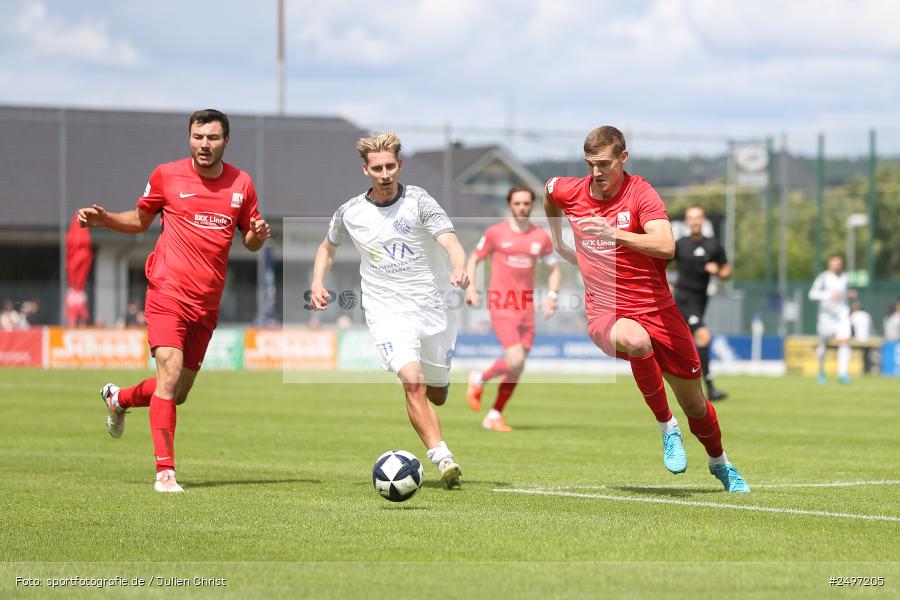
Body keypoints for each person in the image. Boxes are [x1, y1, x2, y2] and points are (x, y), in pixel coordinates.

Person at [543, 125, 750, 492]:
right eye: (590, 164)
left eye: (604, 163)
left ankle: (721, 463)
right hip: (606, 311)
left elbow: (666, 245)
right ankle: (666, 427)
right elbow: (549, 192)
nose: (596, 172)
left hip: (659, 309)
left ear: (623, 158)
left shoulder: (641, 192)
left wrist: (613, 233)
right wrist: (558, 240)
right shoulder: (570, 190)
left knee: (697, 406)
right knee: (636, 341)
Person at [77, 109, 271, 493]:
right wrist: (106, 221)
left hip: (206, 304)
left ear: (225, 142)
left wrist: (258, 236)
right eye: (198, 137)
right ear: (189, 138)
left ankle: (119, 399)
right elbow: (139, 219)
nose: (204, 144)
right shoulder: (166, 174)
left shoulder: (242, 184)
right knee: (169, 371)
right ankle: (165, 472)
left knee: (177, 392)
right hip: (166, 292)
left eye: (212, 138)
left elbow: (248, 240)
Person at [310, 131, 467, 489]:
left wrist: (459, 266)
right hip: (386, 312)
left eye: (390, 166)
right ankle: (443, 458)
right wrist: (319, 282)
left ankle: (437, 391)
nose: (385, 174)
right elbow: (326, 248)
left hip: (433, 309)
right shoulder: (350, 212)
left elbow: (451, 242)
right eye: (377, 167)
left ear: (400, 165)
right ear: (365, 169)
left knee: (436, 394)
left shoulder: (420, 202)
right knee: (412, 382)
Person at [465, 185, 561, 431]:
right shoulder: (495, 233)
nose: (522, 208)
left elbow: (554, 269)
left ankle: (494, 414)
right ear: (510, 204)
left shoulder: (540, 237)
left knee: (518, 366)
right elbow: (475, 258)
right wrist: (470, 288)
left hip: (526, 308)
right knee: (515, 359)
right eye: (517, 203)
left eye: (526, 204)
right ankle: (480, 378)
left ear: (532, 205)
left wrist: (551, 296)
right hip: (502, 304)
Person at [671, 206, 731, 401]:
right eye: (691, 218)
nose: (695, 221)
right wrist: (668, 286)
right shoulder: (679, 245)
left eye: (698, 218)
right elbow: (658, 266)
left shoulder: (714, 246)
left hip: (701, 301)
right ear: (687, 222)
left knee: (688, 343)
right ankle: (710, 388)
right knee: (703, 336)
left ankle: (692, 385)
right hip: (684, 300)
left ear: (703, 220)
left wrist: (717, 271)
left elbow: (726, 272)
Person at [808, 254, 854, 384]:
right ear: (829, 264)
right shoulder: (823, 277)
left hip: (842, 314)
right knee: (823, 344)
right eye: (834, 263)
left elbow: (842, 294)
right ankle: (821, 371)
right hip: (826, 316)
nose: (837, 266)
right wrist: (828, 295)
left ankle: (843, 374)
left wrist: (848, 294)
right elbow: (812, 294)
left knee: (845, 341)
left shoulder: (845, 277)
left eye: (839, 264)